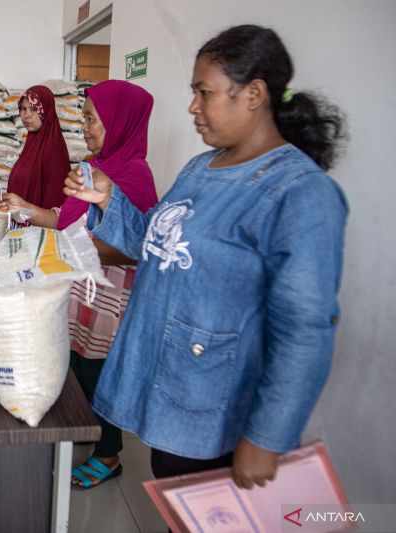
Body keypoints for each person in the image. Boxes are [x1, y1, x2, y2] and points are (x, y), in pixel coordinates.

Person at [64, 24, 347, 489]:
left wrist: (266, 438)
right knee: (175, 484)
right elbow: (155, 245)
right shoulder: (201, 168)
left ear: (253, 94)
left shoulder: (299, 193)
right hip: (169, 379)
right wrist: (107, 201)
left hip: (217, 402)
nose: (193, 107)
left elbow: (305, 331)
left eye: (204, 92)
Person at [0, 80, 158, 489]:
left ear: (119, 122)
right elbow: (65, 221)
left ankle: (109, 454)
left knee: (101, 371)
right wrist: (27, 210)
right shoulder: (92, 166)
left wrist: (75, 248)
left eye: (91, 118)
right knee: (79, 364)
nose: (84, 126)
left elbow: (136, 249)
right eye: (84, 116)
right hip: (83, 284)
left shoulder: (134, 175)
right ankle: (90, 435)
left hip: (110, 291)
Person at [6, 85, 70, 210]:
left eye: (34, 109)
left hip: (40, 227)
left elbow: (55, 203)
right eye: (23, 109)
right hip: (25, 225)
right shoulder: (33, 144)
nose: (27, 115)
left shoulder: (53, 148)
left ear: (46, 110)